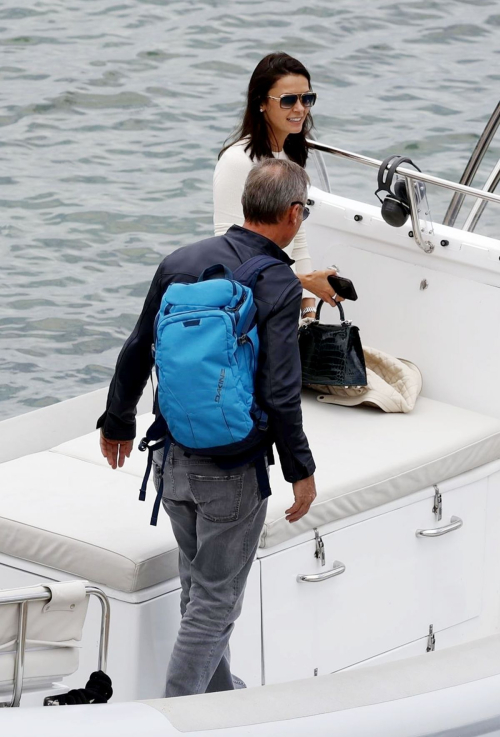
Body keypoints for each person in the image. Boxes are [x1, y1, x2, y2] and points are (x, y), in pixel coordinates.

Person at [98, 158, 317, 697]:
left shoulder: (182, 260)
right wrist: (301, 470)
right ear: (292, 214)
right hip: (233, 471)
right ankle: (180, 715)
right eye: (304, 210)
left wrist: (117, 419)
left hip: (170, 461)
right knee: (217, 601)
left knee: (200, 588)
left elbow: (136, 348)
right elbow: (280, 392)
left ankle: (220, 697)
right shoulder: (279, 283)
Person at [214, 51, 340, 319]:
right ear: (261, 102)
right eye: (288, 100)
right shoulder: (237, 162)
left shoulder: (290, 156)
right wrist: (305, 282)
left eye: (307, 98)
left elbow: (299, 239)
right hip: (249, 307)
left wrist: (308, 312)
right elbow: (231, 256)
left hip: (282, 298)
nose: (300, 109)